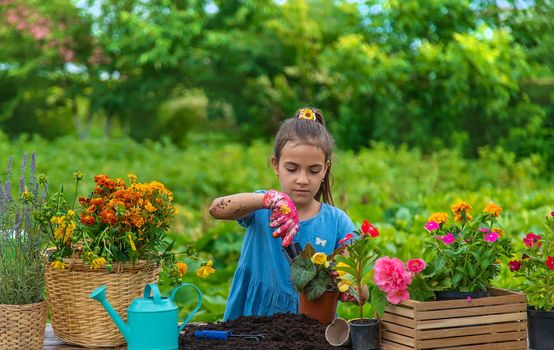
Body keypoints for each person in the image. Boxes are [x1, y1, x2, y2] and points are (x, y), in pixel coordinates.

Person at [209, 107, 356, 321]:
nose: (302, 179)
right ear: (276, 165)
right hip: (252, 321)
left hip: (311, 327)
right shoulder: (261, 209)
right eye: (292, 168)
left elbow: (360, 290)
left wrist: (350, 286)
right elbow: (216, 208)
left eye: (313, 171)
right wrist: (266, 199)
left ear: (325, 169)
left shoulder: (337, 222)